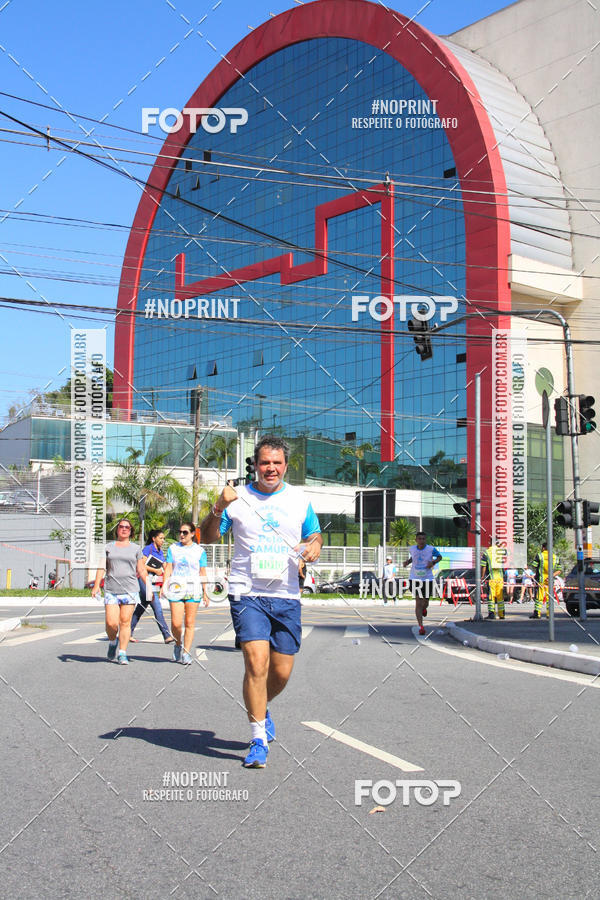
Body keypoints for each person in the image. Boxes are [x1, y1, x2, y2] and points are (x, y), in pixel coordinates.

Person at [201, 435, 322, 769]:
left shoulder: (299, 499)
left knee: (281, 672)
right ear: (254, 465)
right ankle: (257, 739)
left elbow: (314, 535)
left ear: (285, 466)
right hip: (246, 592)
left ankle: (261, 706)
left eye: (276, 463)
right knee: (256, 664)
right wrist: (218, 507)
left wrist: (314, 546)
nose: (271, 468)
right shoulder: (237, 498)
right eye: (264, 462)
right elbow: (207, 536)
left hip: (286, 594)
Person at [91, 518, 147, 665]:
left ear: (131, 531)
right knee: (111, 623)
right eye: (121, 526)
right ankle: (112, 642)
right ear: (117, 529)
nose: (124, 529)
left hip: (130, 590)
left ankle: (122, 653)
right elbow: (102, 567)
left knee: (125, 622)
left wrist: (149, 587)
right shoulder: (108, 547)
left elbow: (141, 569)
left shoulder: (136, 548)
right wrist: (96, 585)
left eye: (127, 527)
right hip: (111, 590)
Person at [160, 521, 209, 664]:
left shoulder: (200, 551)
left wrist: (205, 592)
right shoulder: (173, 548)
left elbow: (202, 572)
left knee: (189, 622)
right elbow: (169, 568)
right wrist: (164, 585)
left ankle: (186, 652)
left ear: (192, 534)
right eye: (180, 532)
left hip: (193, 590)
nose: (181, 535)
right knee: (176, 623)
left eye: (185, 532)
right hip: (176, 589)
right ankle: (178, 644)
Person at [129, 529, 174, 644]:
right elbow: (141, 565)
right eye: (160, 538)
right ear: (154, 539)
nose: (163, 540)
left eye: (164, 538)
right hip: (144, 580)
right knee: (157, 606)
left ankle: (127, 633)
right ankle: (166, 635)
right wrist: (155, 570)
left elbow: (166, 566)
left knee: (141, 608)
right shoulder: (148, 549)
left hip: (152, 582)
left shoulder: (160, 552)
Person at [403, 532, 442, 635]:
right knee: (418, 602)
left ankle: (424, 609)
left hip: (427, 579)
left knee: (425, 602)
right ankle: (421, 626)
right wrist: (407, 562)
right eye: (419, 539)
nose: (421, 541)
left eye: (423, 539)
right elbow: (413, 558)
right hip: (414, 579)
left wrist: (433, 562)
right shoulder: (412, 549)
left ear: (425, 540)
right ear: (416, 540)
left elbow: (439, 557)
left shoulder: (430, 549)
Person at [530, 542, 559, 619]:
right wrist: (551, 575)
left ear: (543, 548)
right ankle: (549, 614)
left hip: (541, 580)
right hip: (550, 581)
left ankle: (537, 613)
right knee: (549, 598)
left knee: (539, 598)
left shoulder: (539, 555)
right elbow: (559, 570)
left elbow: (534, 565)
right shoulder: (555, 557)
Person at [481, 537, 507, 620]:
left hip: (491, 578)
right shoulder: (501, 551)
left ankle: (491, 614)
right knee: (500, 596)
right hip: (500, 578)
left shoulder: (487, 552)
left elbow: (483, 566)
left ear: (490, 542)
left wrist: (482, 576)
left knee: (491, 597)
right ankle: (502, 614)